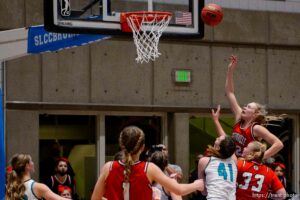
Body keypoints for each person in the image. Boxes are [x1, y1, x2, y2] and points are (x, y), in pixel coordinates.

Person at [91, 126, 204, 200]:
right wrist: (197, 184)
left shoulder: (108, 167)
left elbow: (95, 198)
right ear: (143, 147)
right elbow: (178, 190)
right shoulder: (149, 168)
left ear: (121, 146)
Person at [223, 55, 283, 159]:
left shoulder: (256, 128)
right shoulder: (239, 118)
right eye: (245, 106)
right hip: (235, 163)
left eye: (249, 107)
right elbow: (230, 92)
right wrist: (230, 70)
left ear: (255, 114)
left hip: (247, 165)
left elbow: (278, 144)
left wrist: (259, 157)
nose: (244, 107)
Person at [6, 153, 70, 200]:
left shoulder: (13, 186)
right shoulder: (38, 187)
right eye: (31, 161)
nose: (33, 163)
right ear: (27, 166)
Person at [198, 135, 237, 200]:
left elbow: (204, 192)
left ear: (218, 147)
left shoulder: (204, 161)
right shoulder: (234, 161)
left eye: (218, 139)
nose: (216, 138)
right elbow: (230, 146)